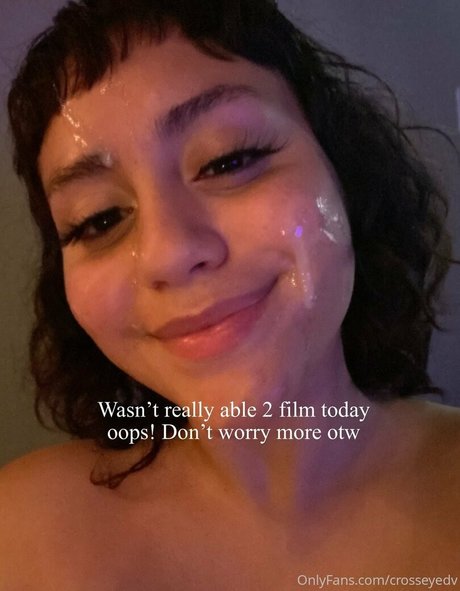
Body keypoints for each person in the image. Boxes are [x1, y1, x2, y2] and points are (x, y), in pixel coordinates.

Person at [0, 0, 459, 588]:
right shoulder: (21, 540)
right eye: (99, 218)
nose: (168, 252)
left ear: (343, 173)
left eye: (229, 159)